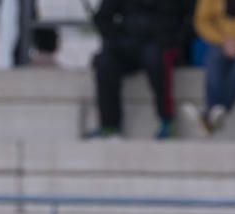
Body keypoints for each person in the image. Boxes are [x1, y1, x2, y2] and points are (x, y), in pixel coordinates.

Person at [83, 0, 194, 140]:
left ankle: (167, 122)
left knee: (157, 59)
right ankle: (109, 127)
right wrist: (115, 39)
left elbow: (193, 18)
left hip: (163, 44)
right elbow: (102, 17)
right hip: (128, 41)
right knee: (105, 62)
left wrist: (176, 40)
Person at [182, 0, 235, 136]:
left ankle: (210, 113)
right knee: (213, 59)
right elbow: (202, 21)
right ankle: (216, 113)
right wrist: (223, 41)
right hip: (222, 42)